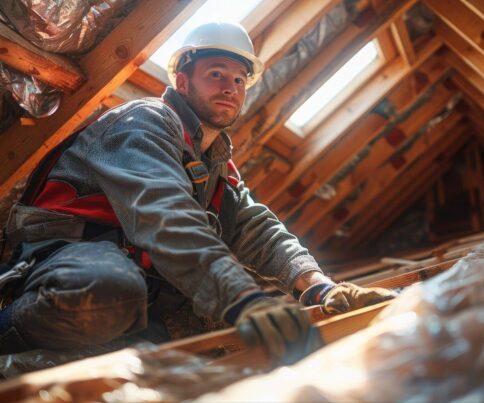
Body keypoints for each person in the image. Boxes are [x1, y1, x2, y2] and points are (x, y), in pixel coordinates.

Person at [0, 22, 395, 360]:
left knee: (187, 348)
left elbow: (257, 229)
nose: (231, 87)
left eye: (239, 80)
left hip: (140, 284)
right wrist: (240, 297)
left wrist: (319, 287)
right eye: (217, 74)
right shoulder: (145, 121)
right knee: (108, 293)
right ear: (182, 80)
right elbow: (163, 213)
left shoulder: (217, 164)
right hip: (64, 263)